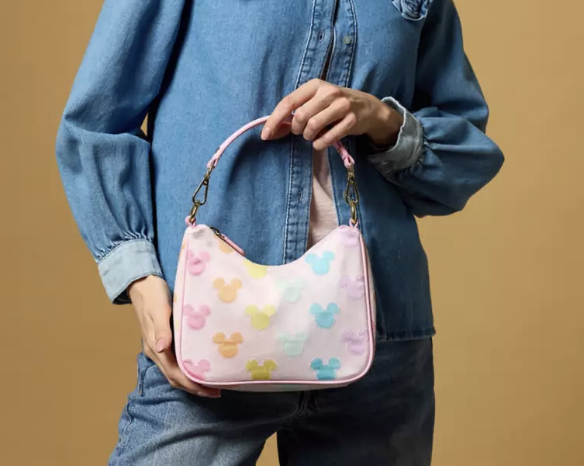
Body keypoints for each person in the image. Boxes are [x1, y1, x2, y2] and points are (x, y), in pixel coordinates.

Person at [56, 0, 503, 464]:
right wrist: (140, 278)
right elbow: (97, 121)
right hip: (217, 329)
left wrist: (381, 118)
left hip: (378, 341)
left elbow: (462, 152)